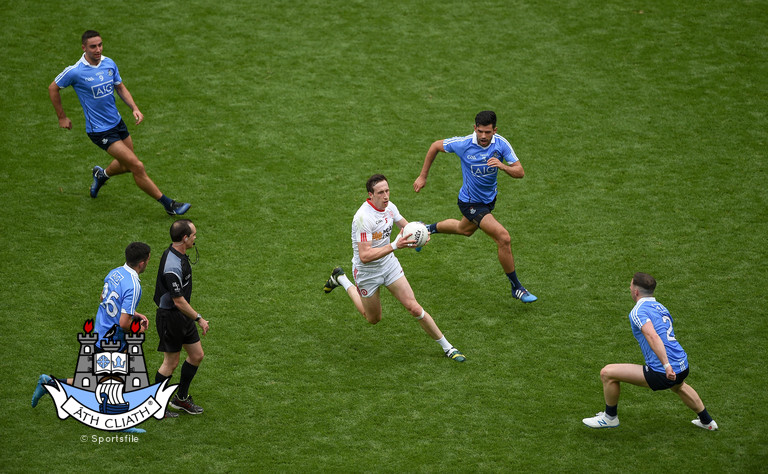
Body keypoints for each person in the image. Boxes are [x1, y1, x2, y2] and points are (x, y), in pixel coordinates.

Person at [323, 174, 466, 362]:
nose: (386, 196)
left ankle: (448, 347)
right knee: (373, 318)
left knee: (414, 308)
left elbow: (406, 226)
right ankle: (341, 279)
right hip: (367, 273)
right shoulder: (362, 218)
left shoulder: (390, 208)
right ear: (370, 195)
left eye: (387, 191)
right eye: (380, 192)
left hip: (389, 265)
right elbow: (365, 256)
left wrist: (420, 236)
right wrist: (395, 245)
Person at [48, 30, 190, 216]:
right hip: (99, 131)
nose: (98, 49)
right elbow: (53, 88)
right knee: (137, 166)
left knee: (125, 165)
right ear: (84, 47)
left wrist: (134, 108)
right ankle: (169, 204)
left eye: (100, 45)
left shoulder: (109, 63)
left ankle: (101, 175)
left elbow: (120, 87)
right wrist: (61, 117)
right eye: (93, 46)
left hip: (117, 123)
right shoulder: (75, 71)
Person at [31, 242, 158, 431]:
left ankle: (49, 382)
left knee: (95, 380)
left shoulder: (115, 272)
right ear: (142, 262)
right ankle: (120, 423)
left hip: (101, 330)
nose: (148, 262)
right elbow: (124, 324)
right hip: (113, 337)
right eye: (148, 259)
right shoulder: (134, 285)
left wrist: (134, 313)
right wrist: (136, 330)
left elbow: (104, 298)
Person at [413, 110, 536, 303]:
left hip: (488, 201)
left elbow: (520, 172)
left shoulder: (501, 144)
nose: (483, 136)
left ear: (495, 130)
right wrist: (423, 176)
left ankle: (425, 229)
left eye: (488, 132)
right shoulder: (463, 144)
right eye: (480, 131)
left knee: (464, 230)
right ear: (474, 129)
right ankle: (517, 287)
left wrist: (502, 166)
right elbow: (435, 146)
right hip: (470, 202)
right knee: (503, 238)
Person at [582, 272, 718, 431]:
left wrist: (666, 366)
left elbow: (653, 336)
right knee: (678, 386)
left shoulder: (638, 311)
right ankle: (707, 421)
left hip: (663, 370)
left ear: (636, 291)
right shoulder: (661, 307)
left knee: (607, 373)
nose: (629, 287)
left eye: (631, 285)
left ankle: (610, 417)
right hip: (682, 364)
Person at [153, 219, 210, 414]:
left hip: (182, 315)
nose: (195, 238)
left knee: (196, 355)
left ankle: (181, 398)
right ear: (185, 238)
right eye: (193, 235)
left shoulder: (178, 253)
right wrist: (199, 318)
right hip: (171, 317)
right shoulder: (172, 265)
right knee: (171, 362)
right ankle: (155, 405)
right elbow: (178, 301)